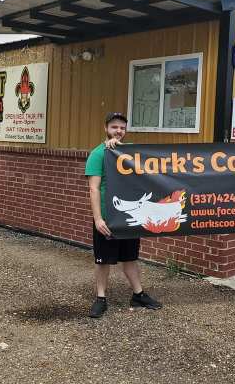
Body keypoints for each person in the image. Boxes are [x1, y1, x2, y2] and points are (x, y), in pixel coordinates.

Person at [85, 111, 162, 318]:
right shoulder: (98, 154)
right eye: (114, 127)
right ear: (106, 129)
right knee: (103, 260)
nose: (118, 131)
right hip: (108, 218)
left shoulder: (129, 153)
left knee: (130, 258)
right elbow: (94, 189)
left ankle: (138, 294)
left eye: (122, 127)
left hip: (128, 218)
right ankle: (100, 298)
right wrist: (98, 219)